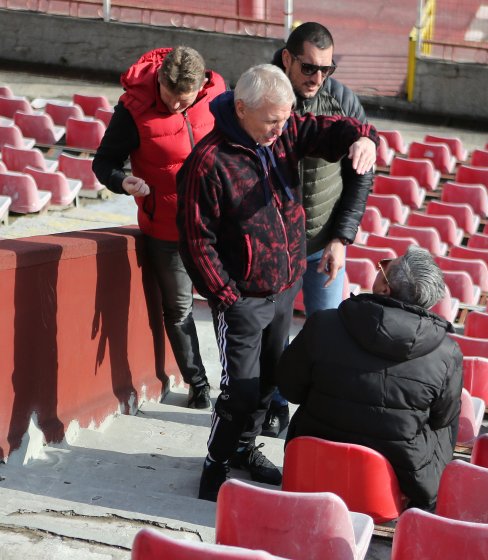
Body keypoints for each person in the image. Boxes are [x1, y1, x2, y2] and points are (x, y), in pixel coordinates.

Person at [176, 63, 377, 502]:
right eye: (272, 120)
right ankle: (217, 464)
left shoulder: (282, 129)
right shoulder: (209, 163)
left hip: (284, 288)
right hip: (244, 301)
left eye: (285, 119)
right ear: (243, 109)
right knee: (240, 393)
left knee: (271, 382)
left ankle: (246, 449)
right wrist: (229, 297)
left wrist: (362, 138)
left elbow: (331, 128)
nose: (281, 129)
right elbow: (196, 241)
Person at [276, 246, 463, 510]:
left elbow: (289, 388)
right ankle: (425, 507)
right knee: (447, 414)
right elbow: (442, 419)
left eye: (384, 266)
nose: (380, 266)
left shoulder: (324, 324)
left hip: (309, 468)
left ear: (385, 290)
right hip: (391, 485)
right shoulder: (447, 352)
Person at [93, 46, 226, 410]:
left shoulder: (217, 95)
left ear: (200, 89)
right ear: (159, 82)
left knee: (228, 305)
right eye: (169, 98)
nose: (176, 107)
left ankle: (235, 384)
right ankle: (198, 383)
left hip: (215, 227)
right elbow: (103, 162)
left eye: (184, 101)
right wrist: (123, 181)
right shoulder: (133, 108)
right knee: (179, 308)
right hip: (165, 229)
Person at [261, 22, 374, 438]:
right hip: (275, 248)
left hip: (325, 243)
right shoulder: (260, 91)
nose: (318, 77)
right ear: (288, 58)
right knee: (273, 335)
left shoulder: (341, 99)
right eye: (309, 67)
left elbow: (363, 173)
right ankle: (272, 404)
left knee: (326, 334)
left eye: (326, 69)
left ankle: (315, 413)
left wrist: (341, 239)